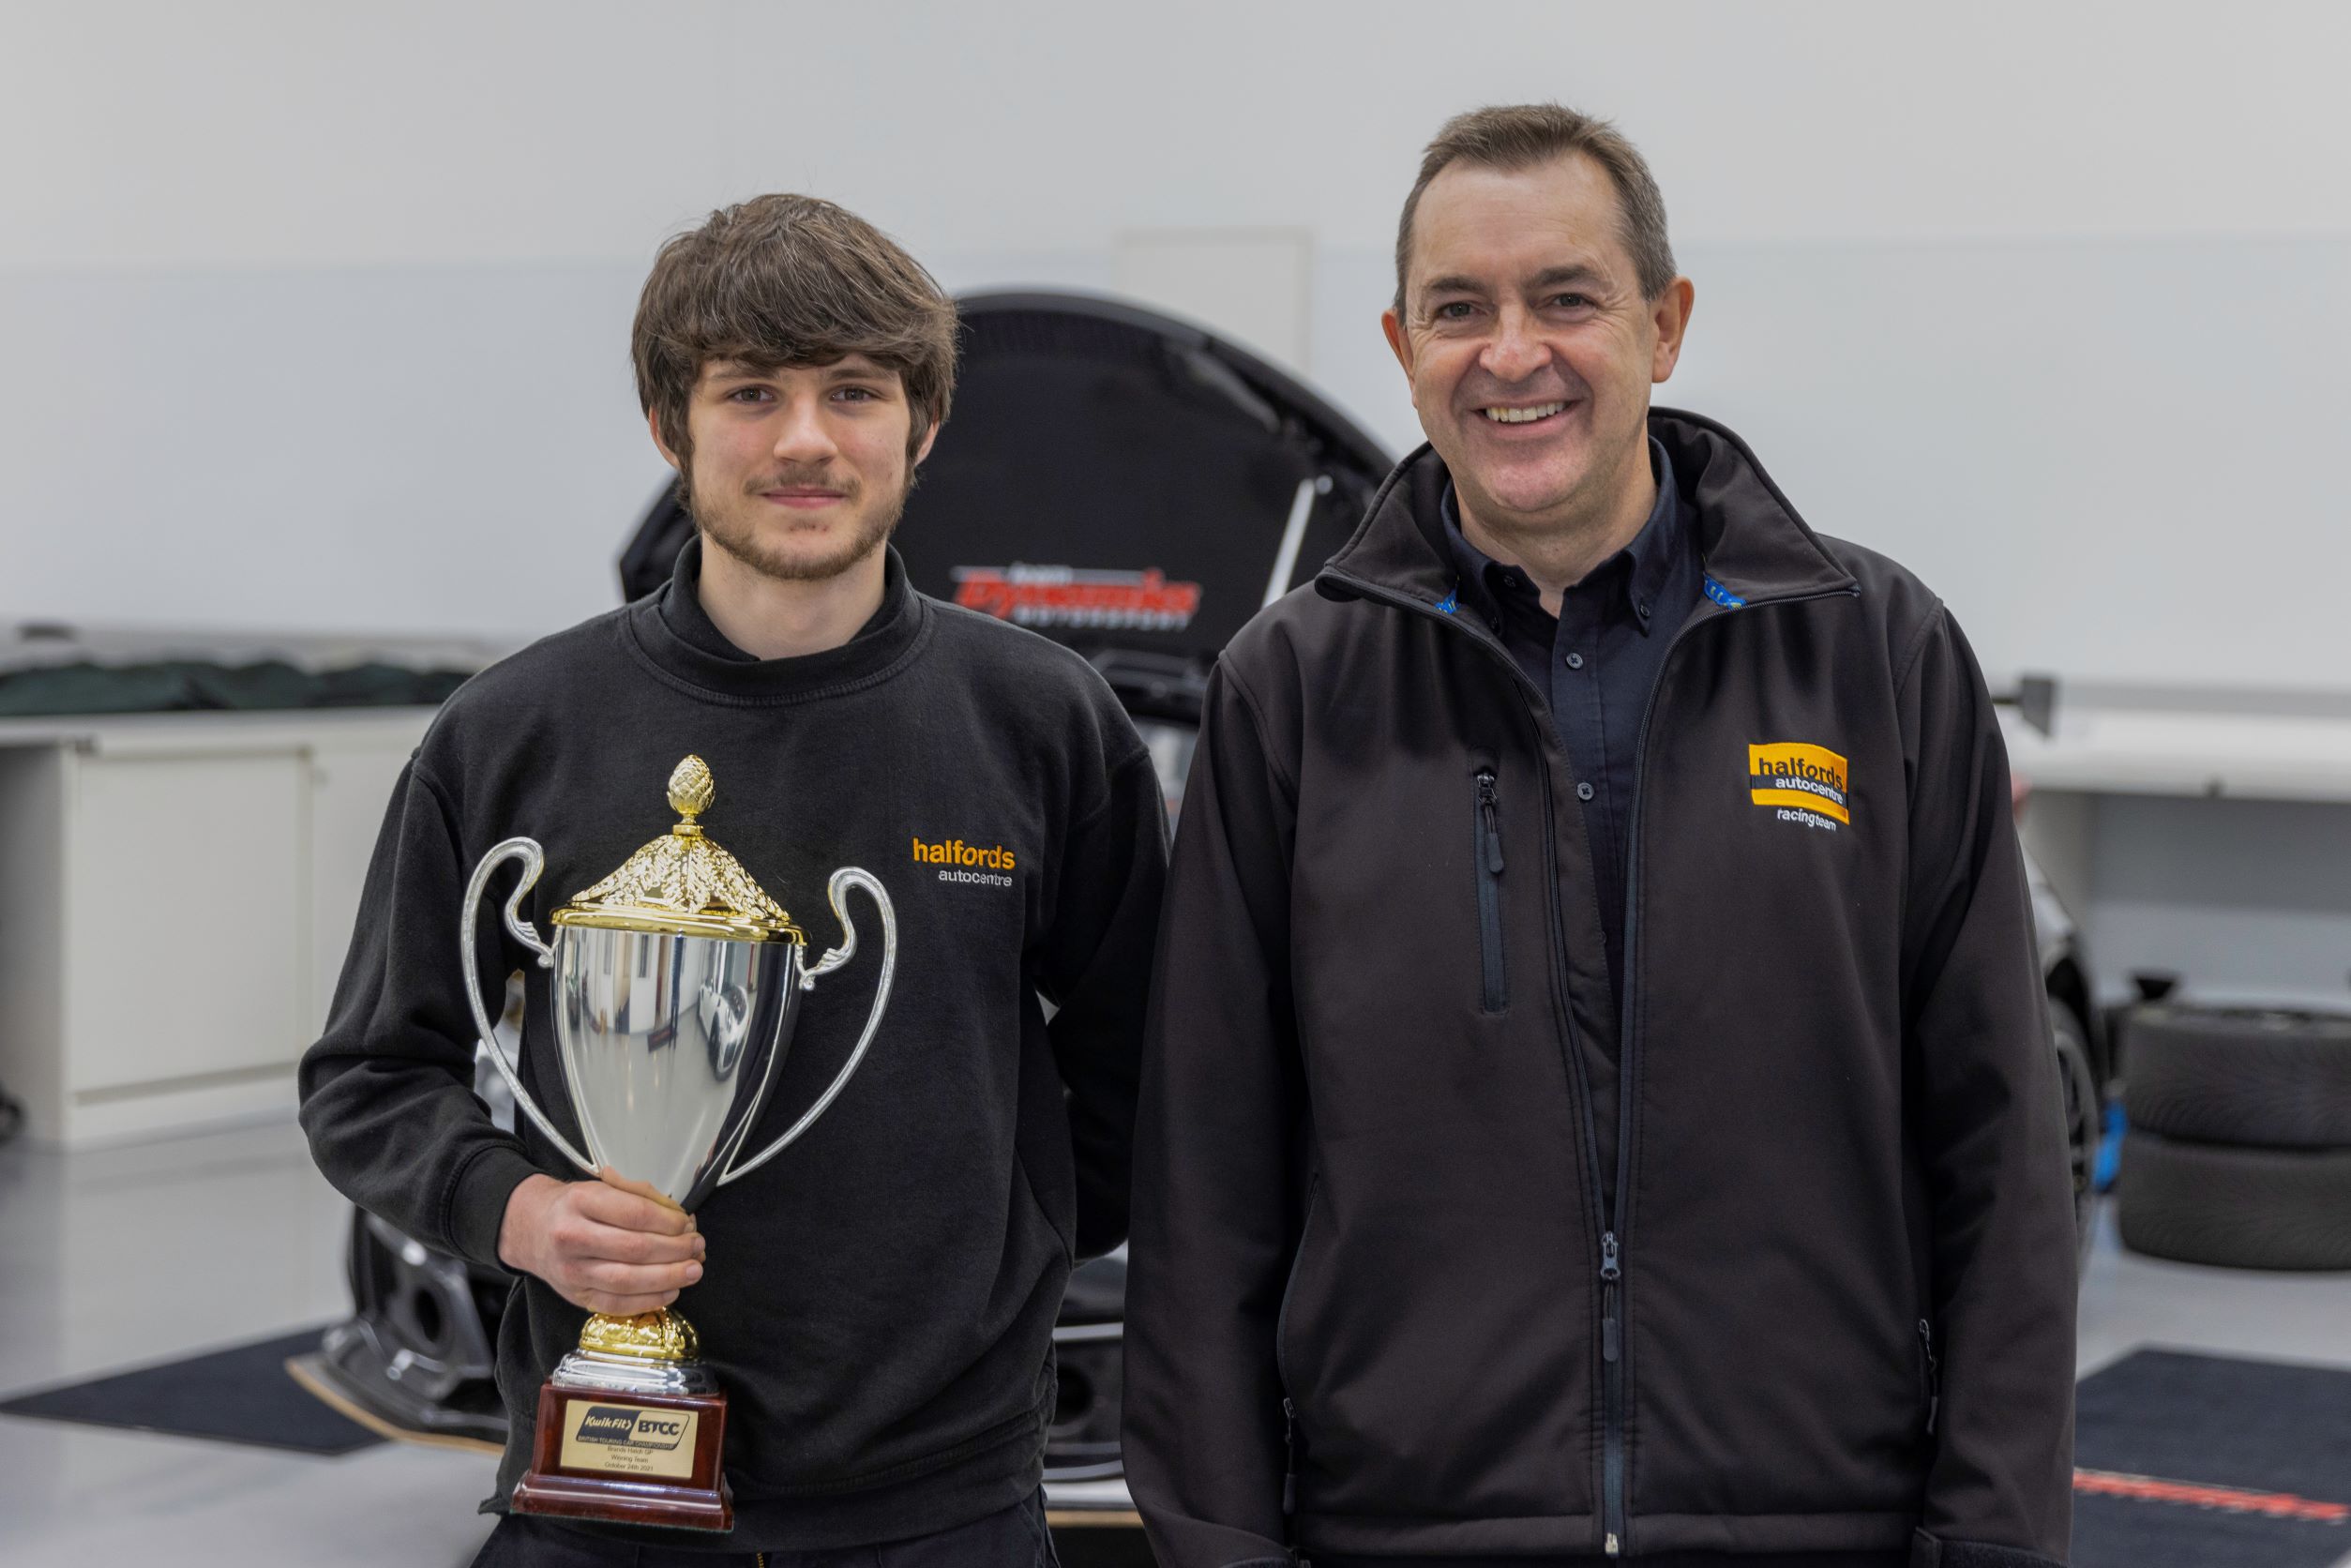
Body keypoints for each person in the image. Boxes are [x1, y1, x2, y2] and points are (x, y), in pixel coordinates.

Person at [1123, 104, 2075, 1568]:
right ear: (1400, 347)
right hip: (1407, 1530)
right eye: (1460, 310)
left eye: (1566, 297)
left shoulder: (1876, 659)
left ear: (1664, 322)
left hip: (1816, 1525)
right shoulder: (1291, 692)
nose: (1513, 354)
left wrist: (1993, 1543)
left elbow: (2003, 1162)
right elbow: (1207, 1198)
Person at [301, 194, 1166, 1566]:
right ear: (670, 429)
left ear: (922, 426)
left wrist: (1002, 1249)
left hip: (940, 1503)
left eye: (855, 391)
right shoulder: (514, 732)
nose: (807, 440)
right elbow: (368, 1079)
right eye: (752, 392)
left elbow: (1146, 1076)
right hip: (596, 1491)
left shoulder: (1044, 724)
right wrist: (519, 1214)